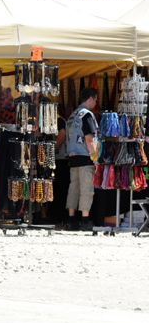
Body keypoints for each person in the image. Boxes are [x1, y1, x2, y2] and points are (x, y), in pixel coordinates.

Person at [66, 87, 98, 231]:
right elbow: (89, 139)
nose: (96, 103)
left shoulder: (72, 116)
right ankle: (85, 220)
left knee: (73, 189)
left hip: (73, 158)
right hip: (85, 157)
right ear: (90, 98)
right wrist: (95, 158)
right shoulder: (87, 115)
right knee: (86, 189)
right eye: (95, 100)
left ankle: (71, 219)